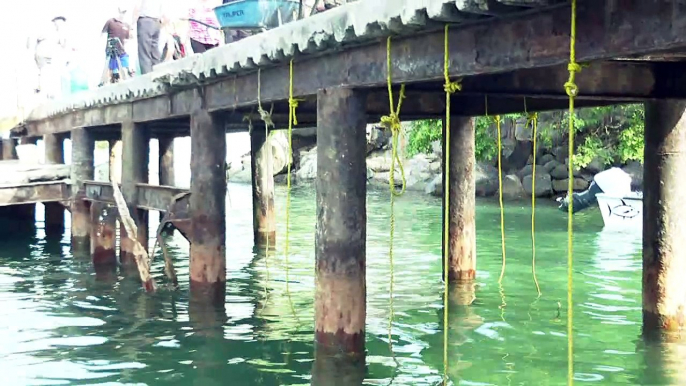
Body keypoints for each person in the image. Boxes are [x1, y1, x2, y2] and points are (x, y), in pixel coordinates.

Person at [30, 16, 69, 99]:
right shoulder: (53, 30)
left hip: (43, 54)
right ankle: (46, 93)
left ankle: (43, 90)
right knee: (48, 71)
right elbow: (63, 44)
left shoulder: (51, 30)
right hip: (44, 54)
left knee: (46, 72)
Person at [100, 7, 134, 84]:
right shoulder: (110, 21)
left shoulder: (126, 25)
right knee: (112, 73)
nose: (122, 13)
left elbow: (128, 39)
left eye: (124, 12)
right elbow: (102, 34)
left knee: (124, 70)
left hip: (122, 51)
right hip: (111, 52)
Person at [134, 0, 166, 74]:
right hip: (156, 22)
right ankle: (159, 75)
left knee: (144, 53)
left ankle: (147, 78)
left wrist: (132, 24)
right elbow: (166, 16)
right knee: (154, 52)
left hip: (145, 20)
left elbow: (138, 6)